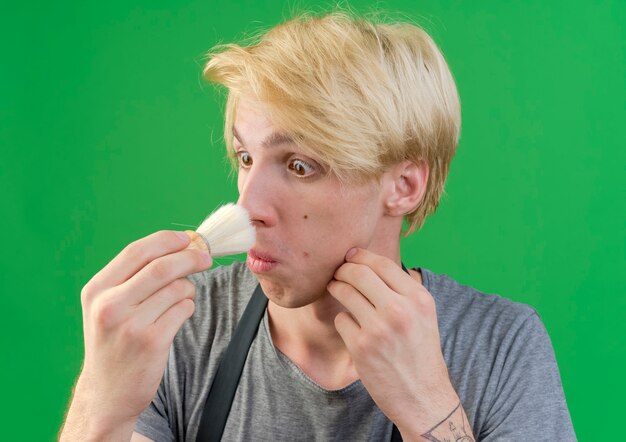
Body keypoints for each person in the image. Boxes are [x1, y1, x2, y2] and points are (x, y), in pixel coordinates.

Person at [59, 10, 576, 442]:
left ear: (403, 185)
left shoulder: (502, 346)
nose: (248, 203)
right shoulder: (182, 327)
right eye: (245, 156)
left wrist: (429, 412)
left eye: (300, 165)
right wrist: (99, 406)